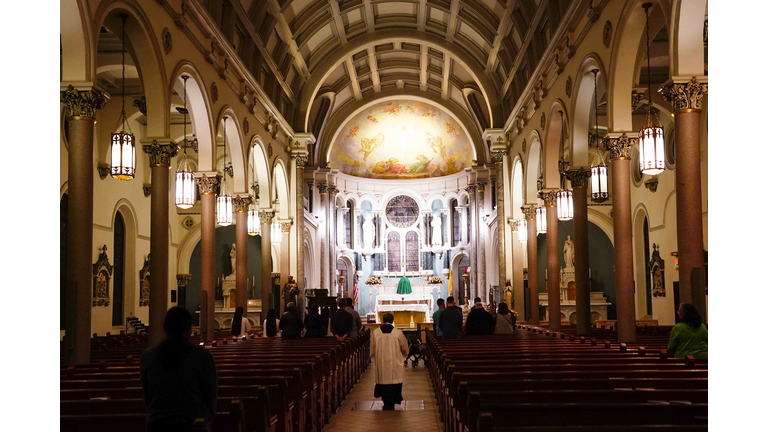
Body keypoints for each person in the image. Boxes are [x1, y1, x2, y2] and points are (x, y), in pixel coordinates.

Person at [140, 307, 217, 431]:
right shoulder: (202, 356)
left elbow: (148, 397)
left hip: (157, 424)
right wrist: (207, 420)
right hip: (193, 423)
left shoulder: (148, 356)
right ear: (189, 329)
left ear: (165, 328)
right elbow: (210, 396)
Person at [370, 312, 409, 410]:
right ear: (393, 320)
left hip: (381, 362)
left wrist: (375, 357)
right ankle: (393, 400)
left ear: (383, 320)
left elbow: (372, 350)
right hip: (395, 362)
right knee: (394, 381)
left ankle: (386, 401)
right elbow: (405, 348)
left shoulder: (376, 333)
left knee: (383, 381)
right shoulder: (398, 333)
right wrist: (404, 355)